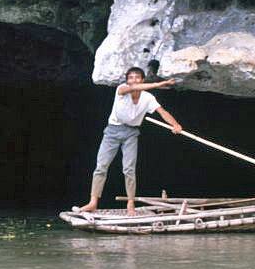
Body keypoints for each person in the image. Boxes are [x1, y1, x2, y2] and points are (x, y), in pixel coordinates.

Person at [75, 66, 183, 216]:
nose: (134, 80)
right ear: (127, 81)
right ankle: (93, 202)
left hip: (131, 133)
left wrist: (175, 124)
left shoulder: (148, 98)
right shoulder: (121, 89)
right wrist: (159, 84)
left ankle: (130, 203)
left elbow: (162, 112)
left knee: (129, 169)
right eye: (131, 77)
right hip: (112, 131)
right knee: (101, 166)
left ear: (143, 79)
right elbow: (133, 87)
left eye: (137, 77)